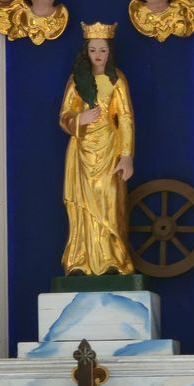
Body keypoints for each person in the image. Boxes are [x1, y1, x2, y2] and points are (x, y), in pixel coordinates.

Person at [59, 22, 135, 276]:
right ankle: (81, 259)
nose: (98, 55)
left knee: (109, 202)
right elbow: (64, 115)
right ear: (86, 52)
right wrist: (80, 119)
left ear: (109, 52)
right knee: (82, 205)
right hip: (81, 149)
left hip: (109, 149)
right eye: (93, 50)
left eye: (103, 50)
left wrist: (126, 156)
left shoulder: (117, 80)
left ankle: (112, 259)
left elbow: (125, 118)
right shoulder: (77, 80)